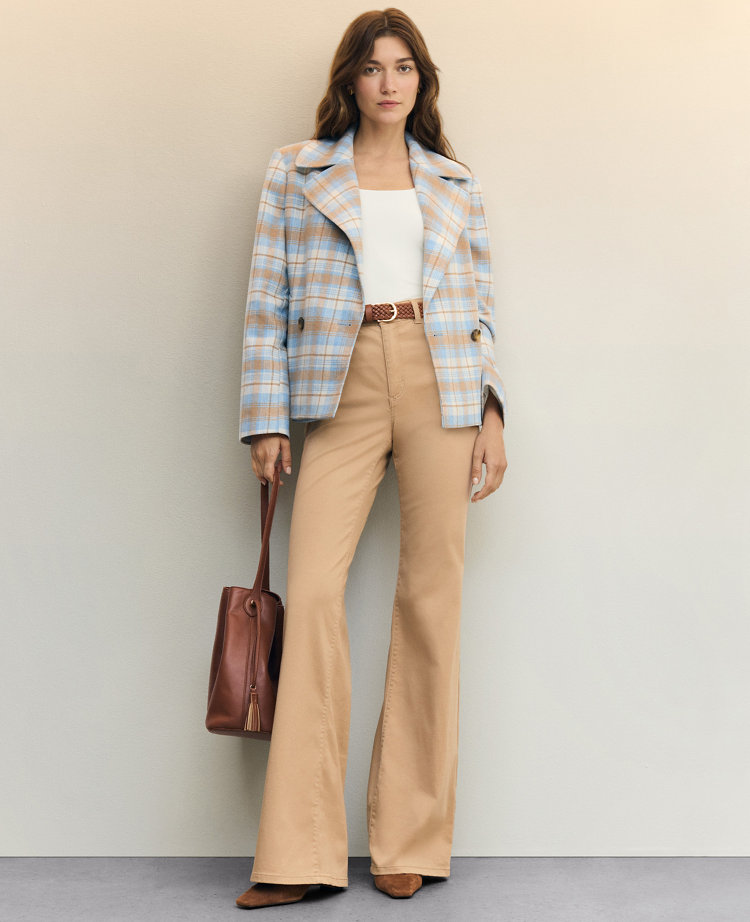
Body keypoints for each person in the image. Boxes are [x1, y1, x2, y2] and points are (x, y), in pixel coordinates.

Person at [234, 7, 508, 910]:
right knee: (313, 593)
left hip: (441, 381)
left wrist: (491, 413)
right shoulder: (298, 171)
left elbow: (480, 308)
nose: (389, 82)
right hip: (339, 384)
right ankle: (298, 854)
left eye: (404, 67)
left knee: (432, 600)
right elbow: (265, 302)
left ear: (421, 81)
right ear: (349, 79)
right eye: (372, 67)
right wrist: (265, 419)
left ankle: (411, 840)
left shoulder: (454, 182)